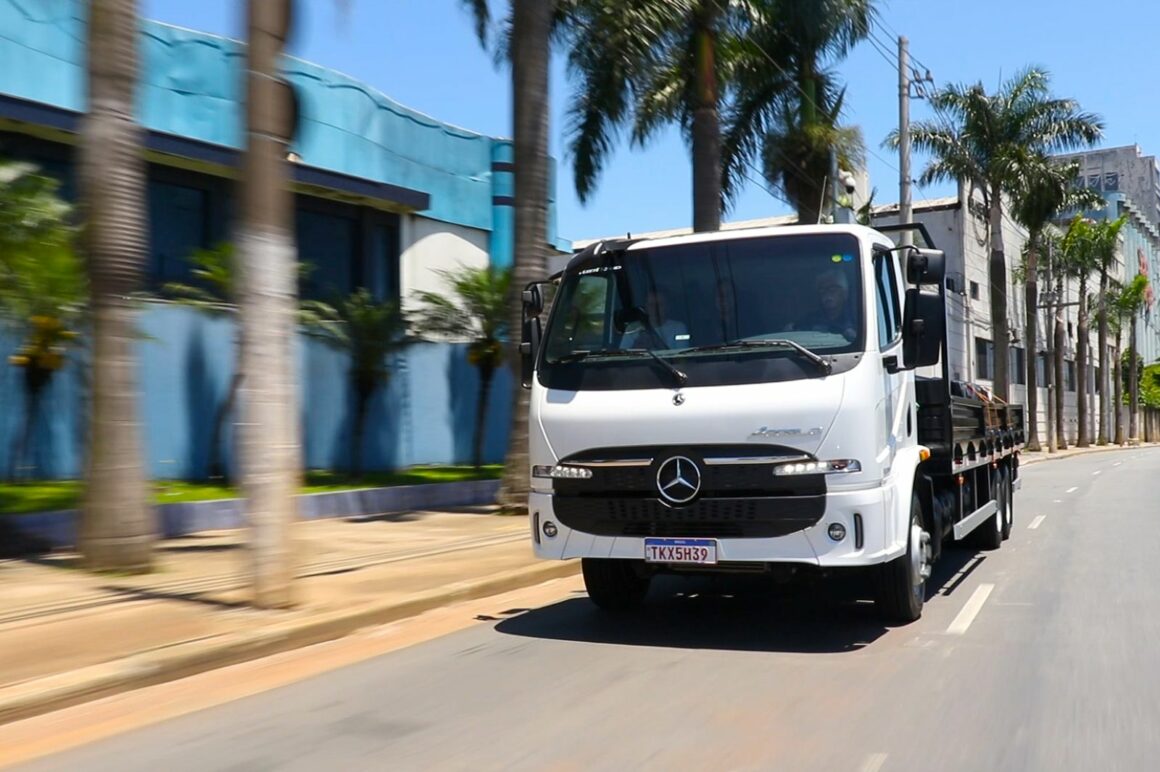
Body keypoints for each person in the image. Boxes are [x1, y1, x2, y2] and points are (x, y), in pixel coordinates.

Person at [788, 267, 857, 341]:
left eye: (833, 289)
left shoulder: (858, 318)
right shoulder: (809, 320)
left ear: (845, 293)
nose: (827, 293)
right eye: (822, 290)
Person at [620, 286, 688, 349]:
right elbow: (623, 356)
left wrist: (657, 343)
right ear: (645, 308)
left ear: (667, 307)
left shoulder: (678, 328)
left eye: (659, 305)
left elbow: (682, 357)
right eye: (651, 305)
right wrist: (638, 344)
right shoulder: (632, 328)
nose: (655, 308)